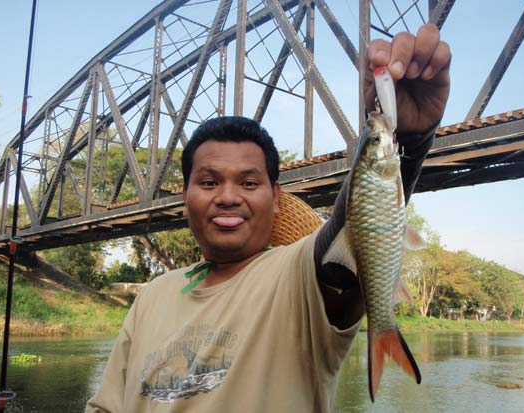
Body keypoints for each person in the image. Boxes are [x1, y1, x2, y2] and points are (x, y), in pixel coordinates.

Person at [86, 23, 451, 413]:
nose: (228, 197)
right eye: (208, 182)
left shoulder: (297, 277)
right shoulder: (152, 296)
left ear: (276, 198)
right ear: (185, 197)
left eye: (248, 182)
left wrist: (410, 140)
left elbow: (350, 231)